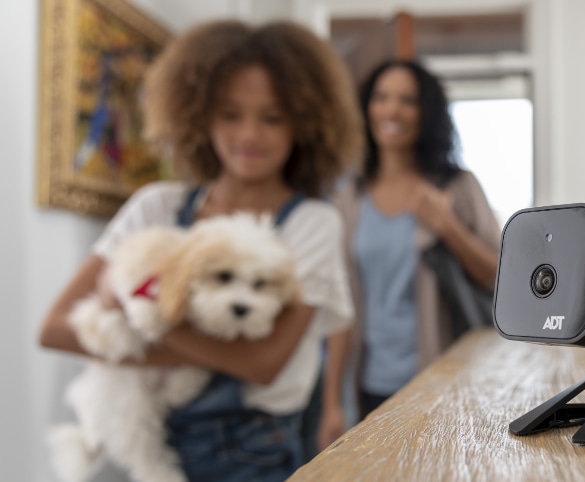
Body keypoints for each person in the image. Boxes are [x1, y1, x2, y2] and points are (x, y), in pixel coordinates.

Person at [39, 20, 362, 481]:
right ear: (199, 115)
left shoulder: (314, 222)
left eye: (271, 117)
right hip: (140, 441)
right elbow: (55, 329)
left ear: (303, 124)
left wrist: (139, 310)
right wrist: (206, 343)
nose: (249, 134)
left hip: (251, 451)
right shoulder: (157, 205)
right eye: (230, 114)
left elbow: (263, 364)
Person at [333, 60, 501, 419]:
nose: (392, 109)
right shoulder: (349, 197)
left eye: (408, 100)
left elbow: (503, 277)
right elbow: (340, 307)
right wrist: (332, 402)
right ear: (366, 108)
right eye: (382, 97)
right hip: (368, 385)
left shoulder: (458, 186)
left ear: (426, 112)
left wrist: (447, 226)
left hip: (444, 379)